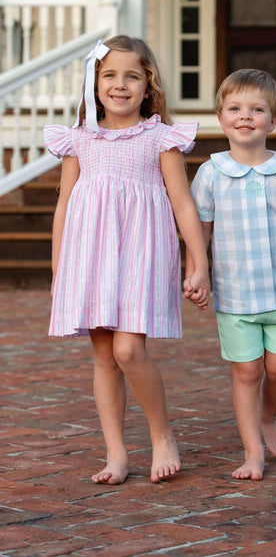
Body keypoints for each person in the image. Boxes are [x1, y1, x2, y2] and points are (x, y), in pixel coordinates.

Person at [44, 35, 210, 485]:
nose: (120, 85)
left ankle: (162, 435)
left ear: (147, 83)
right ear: (94, 84)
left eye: (131, 76)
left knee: (128, 349)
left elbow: (183, 205)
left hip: (142, 251)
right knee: (103, 354)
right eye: (109, 76)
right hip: (90, 255)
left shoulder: (160, 137)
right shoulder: (79, 140)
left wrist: (198, 263)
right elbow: (64, 206)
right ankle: (116, 454)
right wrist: (61, 268)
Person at [186, 68, 276, 481]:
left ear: (274, 121)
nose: (245, 116)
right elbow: (202, 230)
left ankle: (269, 417)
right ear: (221, 118)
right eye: (234, 108)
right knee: (247, 372)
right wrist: (197, 272)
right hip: (235, 296)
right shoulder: (211, 174)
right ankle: (253, 452)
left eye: (257, 109)